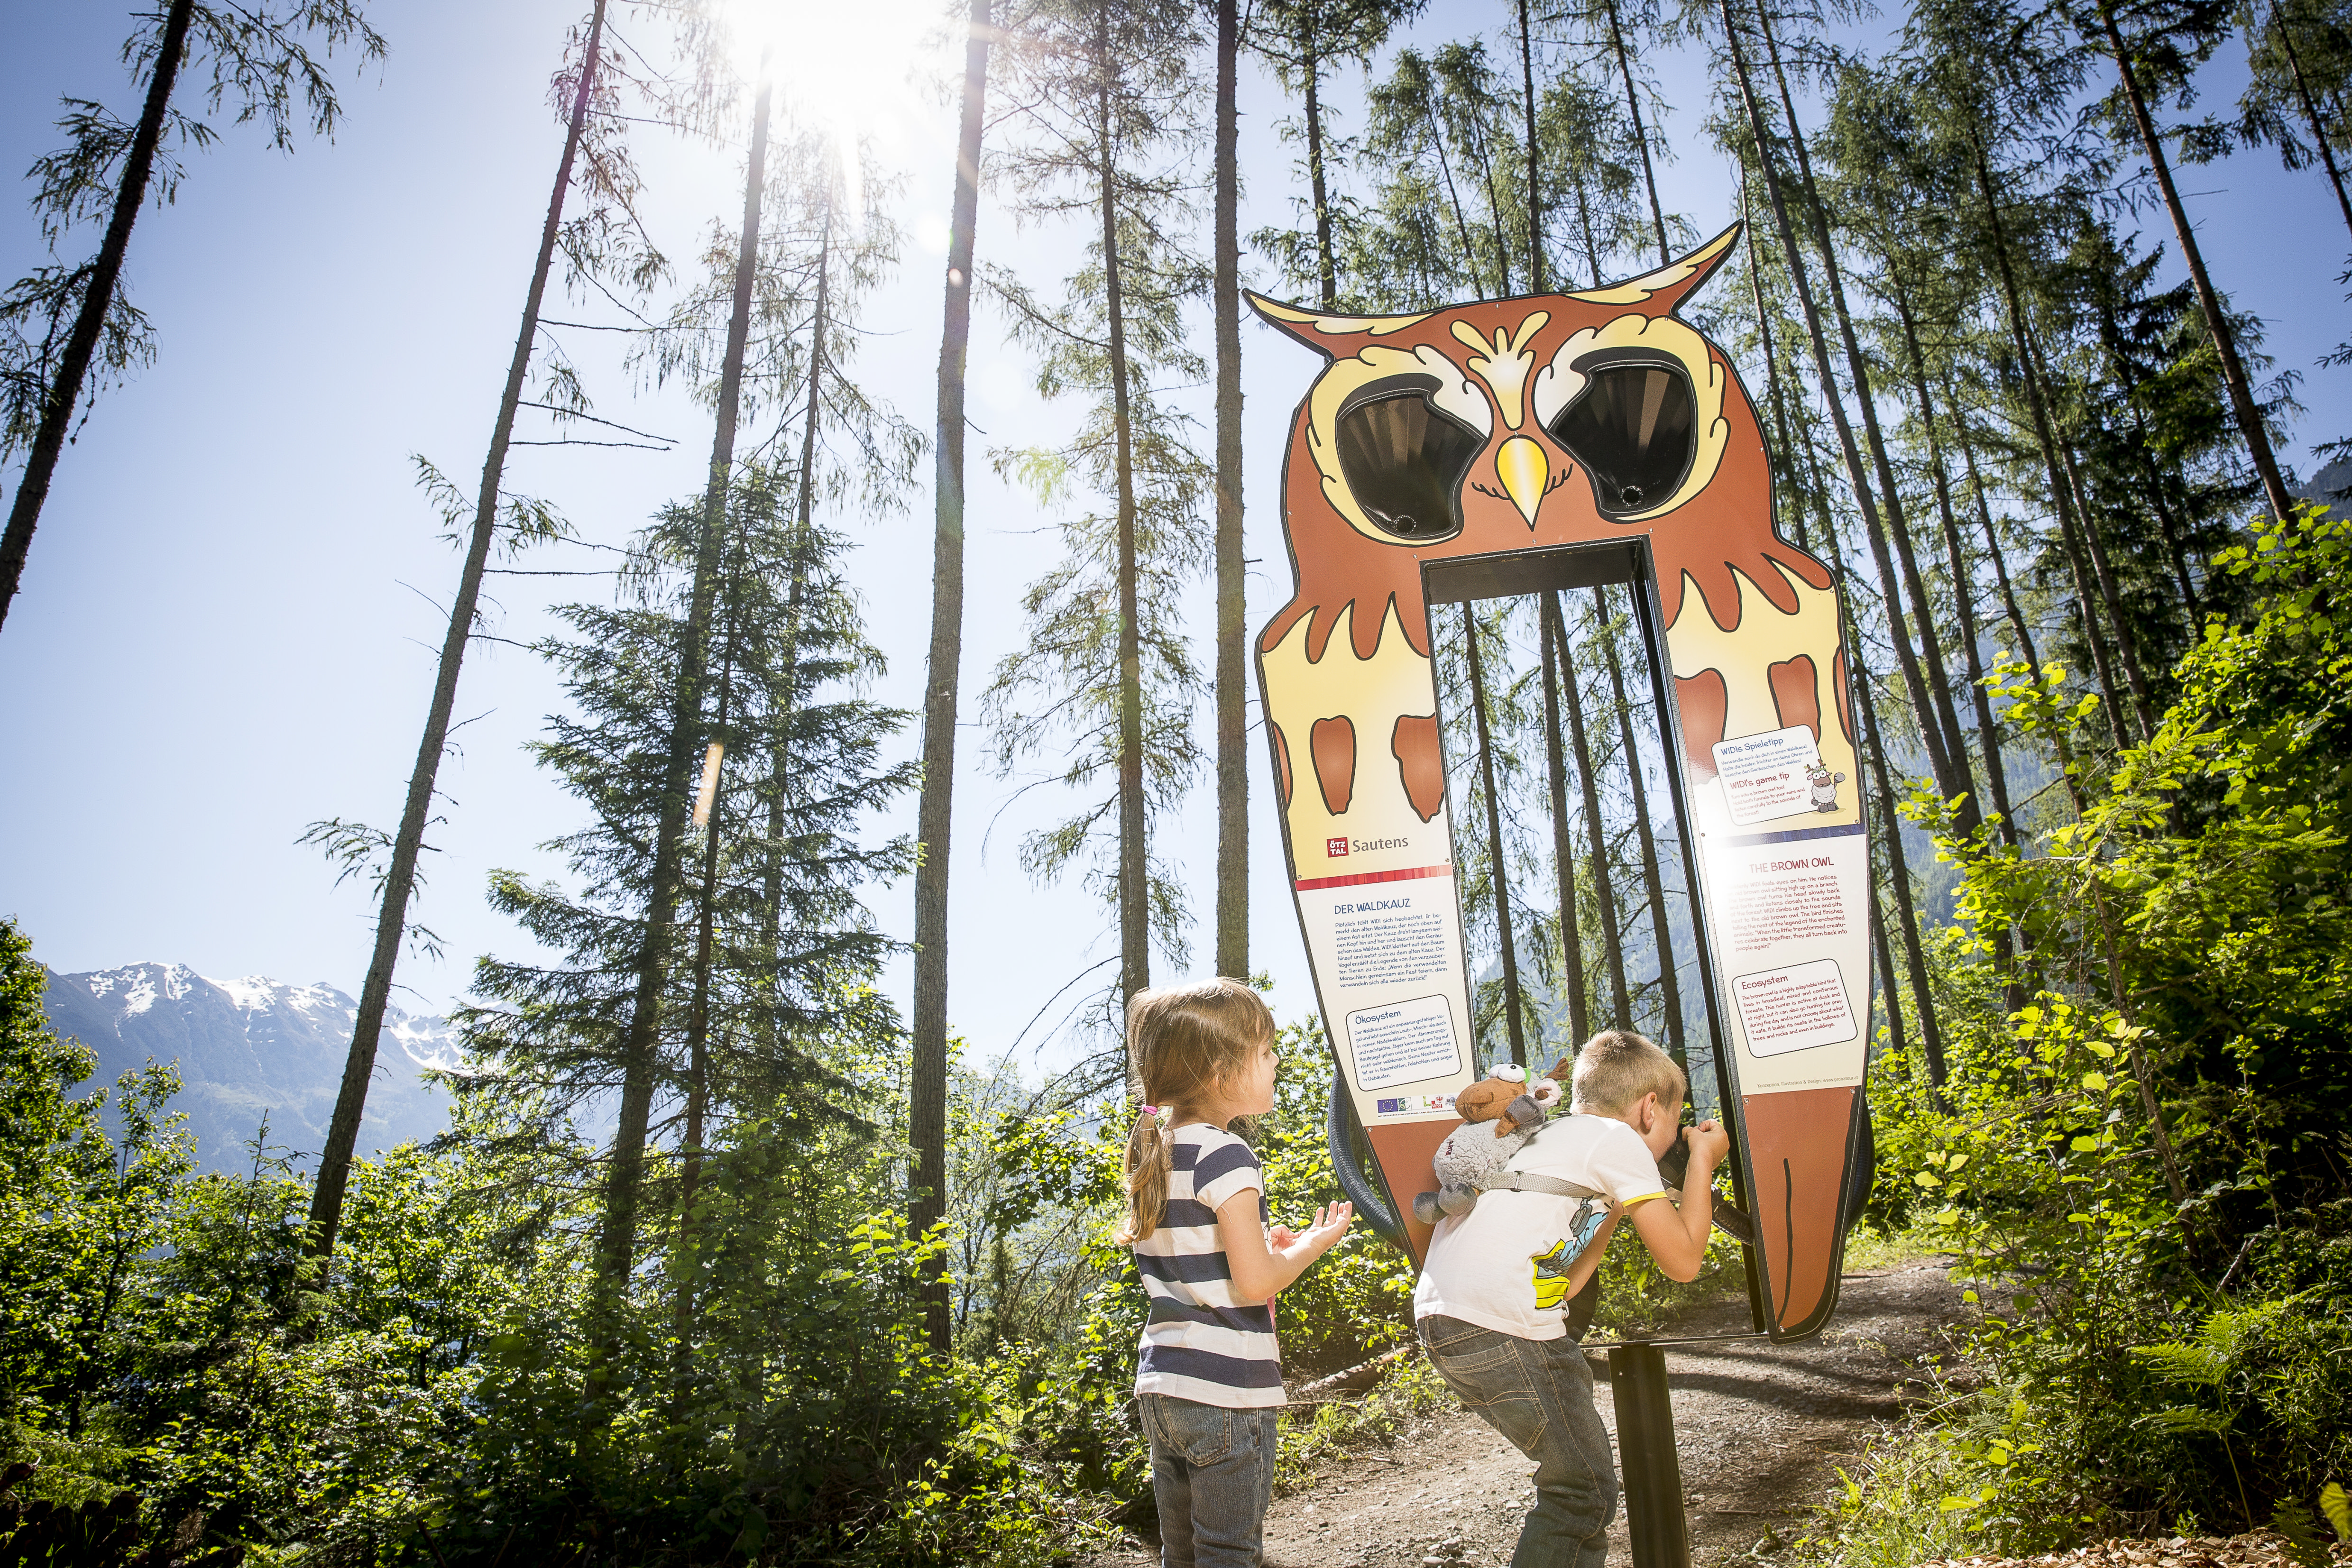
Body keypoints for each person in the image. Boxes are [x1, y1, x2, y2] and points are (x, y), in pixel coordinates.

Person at [1412, 1029, 1729, 1568]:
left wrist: (1616, 1208)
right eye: (1675, 1127)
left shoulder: (1555, 1136)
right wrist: (1703, 1160)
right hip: (1506, 1327)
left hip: (1447, 1320)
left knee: (1577, 1483)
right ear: (1649, 1109)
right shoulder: (1617, 1139)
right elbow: (1683, 1263)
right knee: (1581, 1491)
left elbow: (1567, 1280)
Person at [1119, 978, 1354, 1568]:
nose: (1276, 1061)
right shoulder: (1227, 1154)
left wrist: (1270, 1246)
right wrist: (1311, 1247)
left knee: (1184, 1553)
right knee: (1229, 1554)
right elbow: (1255, 1284)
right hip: (1225, 1391)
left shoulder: (1161, 1147)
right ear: (1221, 1072)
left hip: (1163, 1385)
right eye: (1267, 1050)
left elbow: (1196, 1263)